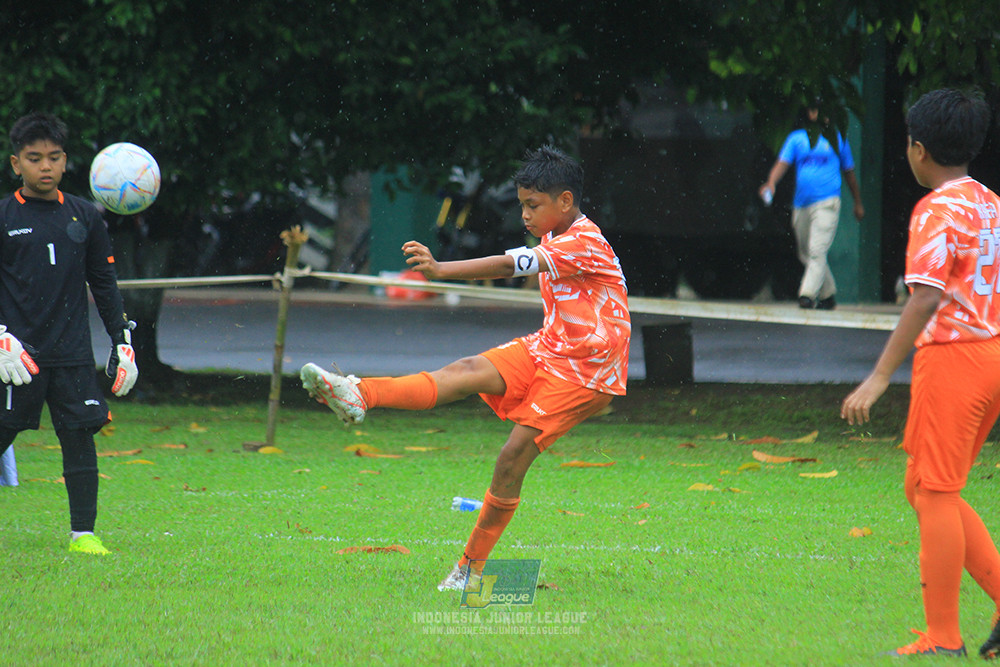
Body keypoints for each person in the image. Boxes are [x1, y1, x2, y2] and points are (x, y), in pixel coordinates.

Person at [300, 146, 630, 591]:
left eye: (533, 206)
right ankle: (360, 394)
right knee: (467, 370)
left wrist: (440, 269)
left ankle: (469, 570)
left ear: (565, 201)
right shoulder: (557, 235)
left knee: (511, 458)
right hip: (551, 347)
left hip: (587, 372)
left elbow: (510, 264)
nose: (526, 215)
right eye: (522, 205)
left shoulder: (582, 241)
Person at [841, 88, 1000, 658]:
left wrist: (880, 375)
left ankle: (943, 636)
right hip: (991, 357)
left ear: (918, 149)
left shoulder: (935, 208)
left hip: (954, 359)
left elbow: (926, 297)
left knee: (933, 492)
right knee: (926, 486)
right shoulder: (990, 203)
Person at [0, 112, 138, 555]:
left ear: (65, 162)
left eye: (54, 158)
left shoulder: (85, 216)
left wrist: (122, 341)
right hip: (16, 353)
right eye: (34, 158)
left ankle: (84, 534)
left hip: (72, 353)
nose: (45, 166)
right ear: (15, 163)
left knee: (79, 435)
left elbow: (104, 282)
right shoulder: (3, 216)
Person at [759, 98, 865, 309]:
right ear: (810, 113)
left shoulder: (837, 138)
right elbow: (782, 164)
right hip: (802, 204)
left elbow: (849, 173)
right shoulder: (797, 139)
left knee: (817, 250)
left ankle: (806, 295)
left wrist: (858, 202)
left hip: (827, 202)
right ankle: (828, 294)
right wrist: (771, 183)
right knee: (806, 253)